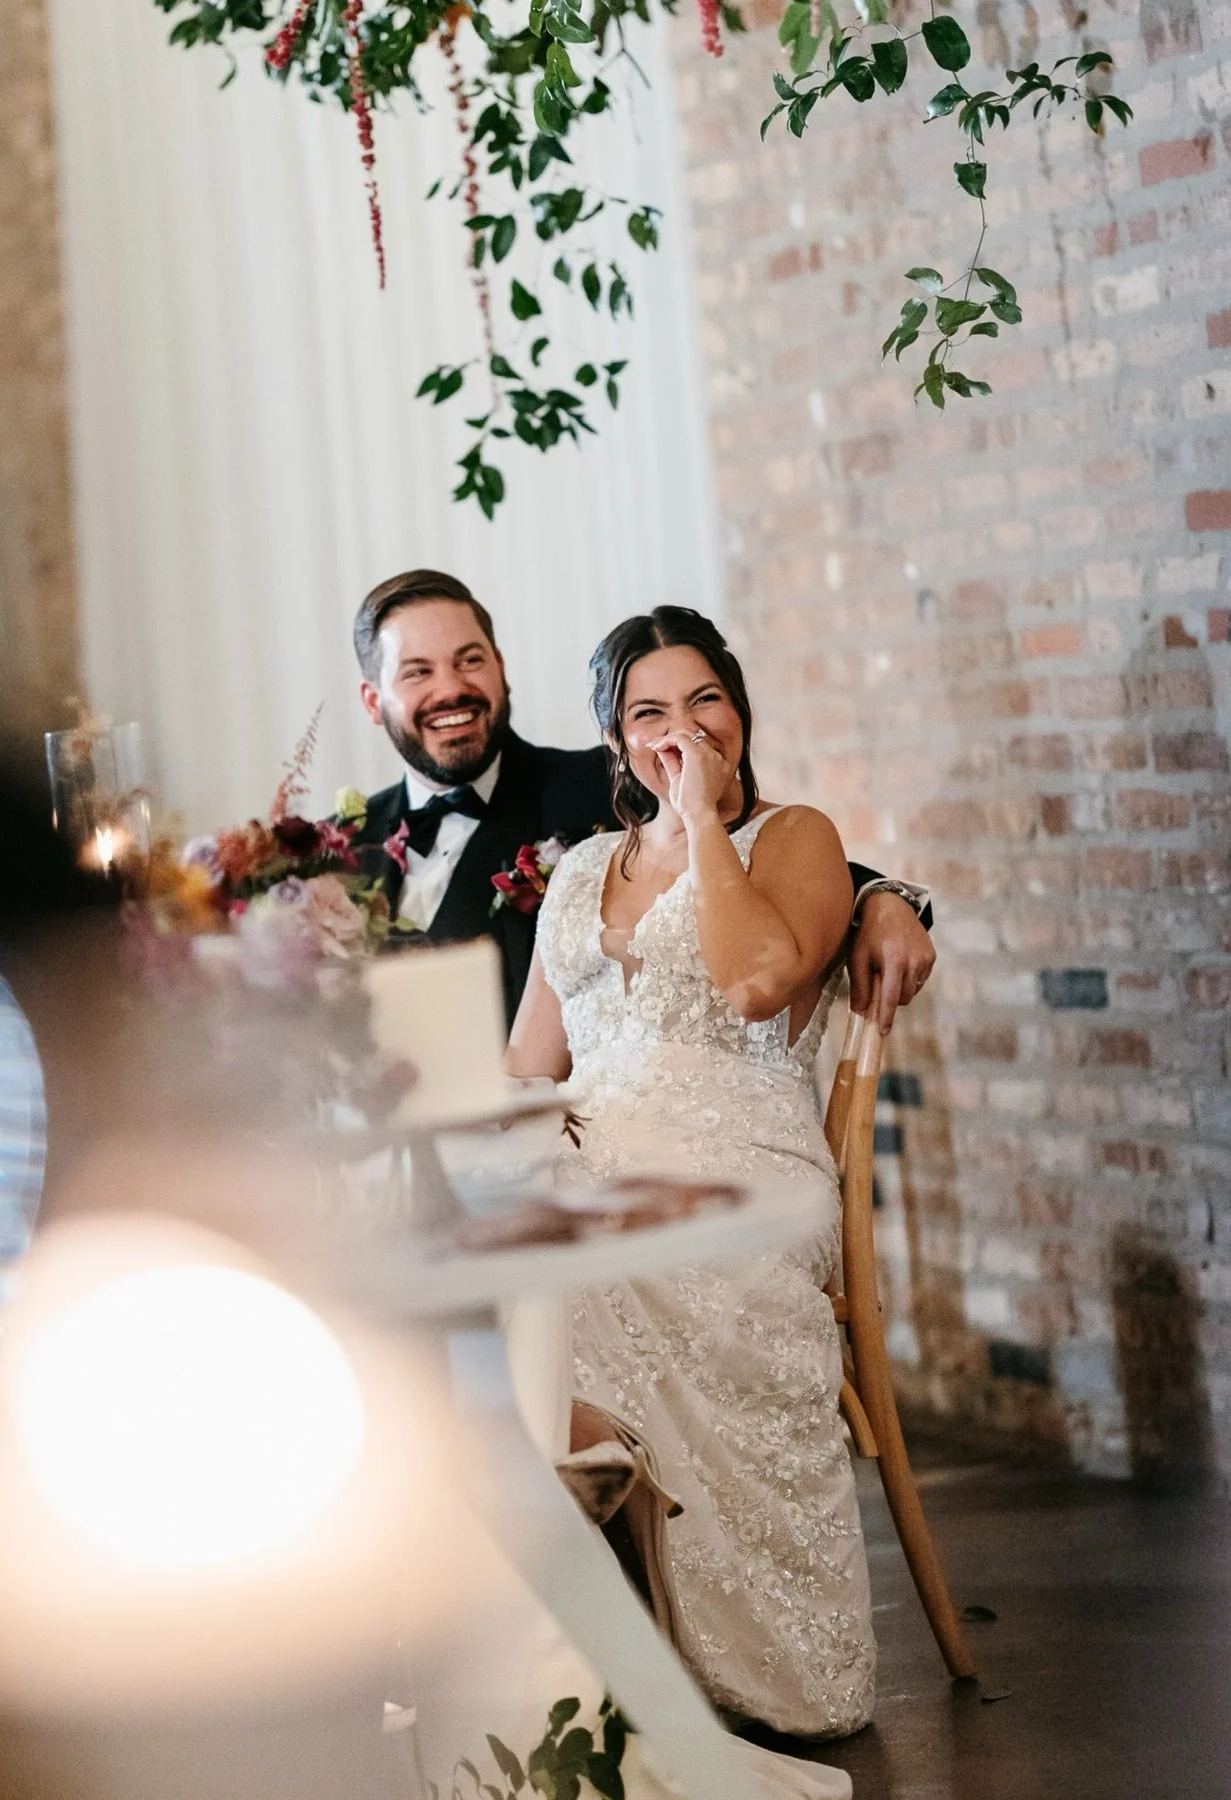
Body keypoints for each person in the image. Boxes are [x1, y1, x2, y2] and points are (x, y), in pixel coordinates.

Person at [506, 607, 880, 1739]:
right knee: (490, 1252)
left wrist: (702, 824)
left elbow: (760, 981)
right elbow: (530, 1060)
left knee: (560, 1279)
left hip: (742, 1162)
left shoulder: (794, 836)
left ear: (741, 712)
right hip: (594, 1156)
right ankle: (597, 1641)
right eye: (648, 713)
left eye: (703, 701)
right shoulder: (576, 872)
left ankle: (654, 1640)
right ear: (614, 740)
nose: (681, 730)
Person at [351, 569, 933, 1029]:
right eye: (418, 672)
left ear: (501, 669)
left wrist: (881, 898)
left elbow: (758, 849)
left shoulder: (606, 780)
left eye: (469, 660)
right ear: (373, 700)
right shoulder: (330, 853)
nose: (452, 688)